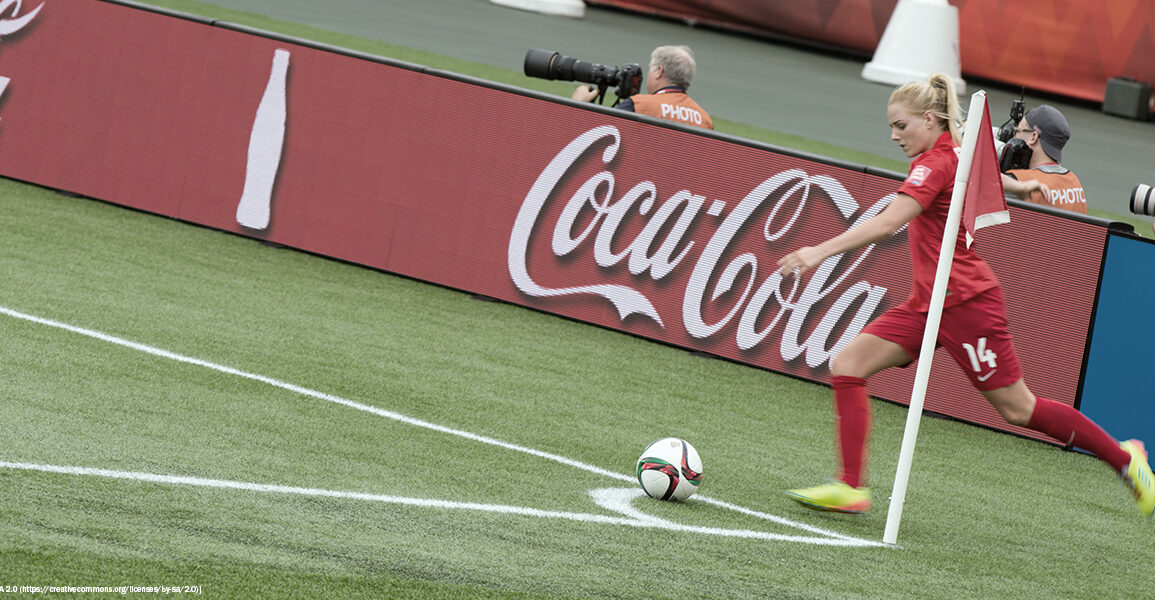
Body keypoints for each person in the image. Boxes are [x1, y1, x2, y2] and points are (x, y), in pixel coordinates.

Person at [775, 73, 1153, 518]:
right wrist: (1019, 186)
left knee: (1019, 409)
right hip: (927, 302)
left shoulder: (933, 162)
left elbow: (887, 223)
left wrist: (817, 251)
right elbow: (980, 174)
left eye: (900, 125)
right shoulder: (952, 151)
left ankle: (1126, 459)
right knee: (848, 365)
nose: (893, 135)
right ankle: (850, 487)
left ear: (929, 119)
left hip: (965, 303)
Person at [572, 45, 713, 130]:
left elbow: (596, 136)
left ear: (659, 71)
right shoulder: (705, 120)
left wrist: (578, 107)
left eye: (651, 68)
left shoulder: (640, 105)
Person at [1001, 105, 1087, 214]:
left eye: (1018, 131)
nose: (1014, 137)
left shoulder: (1017, 181)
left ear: (1033, 137)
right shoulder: (1074, 183)